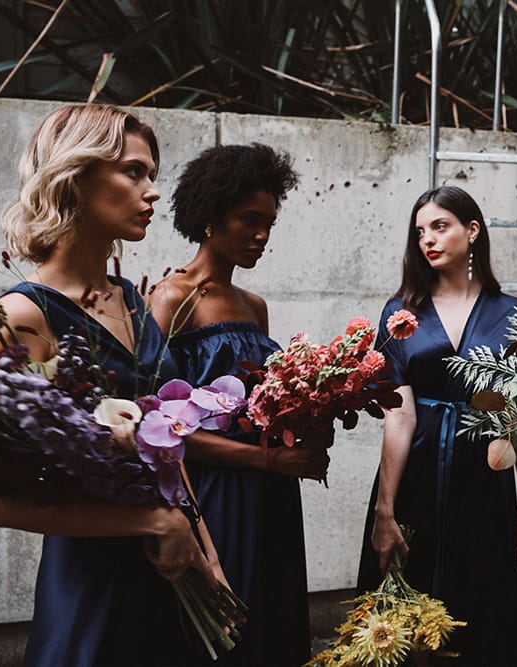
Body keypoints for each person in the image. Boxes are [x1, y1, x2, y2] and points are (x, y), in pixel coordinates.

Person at [0, 103, 222, 666]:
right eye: (133, 172)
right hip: (91, 588)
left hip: (171, 570)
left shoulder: (133, 300)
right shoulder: (21, 316)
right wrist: (150, 520)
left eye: (152, 175)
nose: (152, 192)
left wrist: (207, 553)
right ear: (74, 176)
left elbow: (168, 445)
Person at [149, 143, 327, 666]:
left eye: (269, 223)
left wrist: (313, 420)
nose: (262, 235)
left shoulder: (255, 306)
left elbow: (263, 410)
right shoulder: (171, 299)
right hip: (216, 496)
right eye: (250, 220)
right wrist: (268, 460)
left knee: (273, 622)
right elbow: (162, 432)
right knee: (227, 631)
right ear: (210, 217)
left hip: (272, 493)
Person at [356, 185, 517, 665]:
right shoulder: (400, 312)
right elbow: (399, 413)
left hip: (485, 480)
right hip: (415, 476)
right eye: (420, 232)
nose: (428, 240)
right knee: (402, 614)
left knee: (481, 609)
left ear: (472, 231)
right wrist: (385, 509)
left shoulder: (515, 314)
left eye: (440, 226)